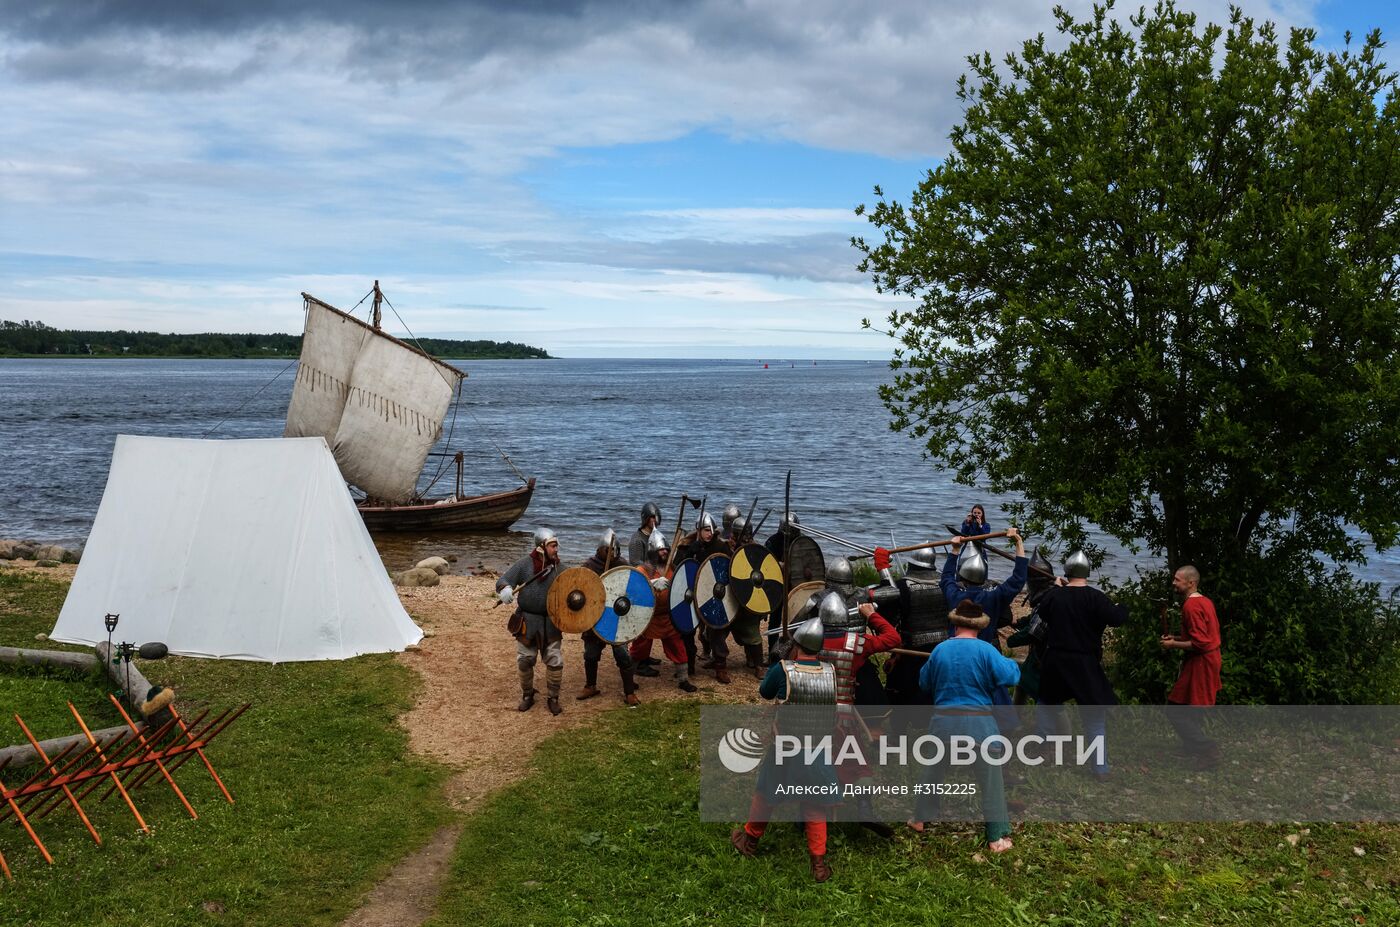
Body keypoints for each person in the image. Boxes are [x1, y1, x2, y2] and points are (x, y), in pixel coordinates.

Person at [731, 615, 837, 882]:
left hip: (785, 749)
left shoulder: (783, 669)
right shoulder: (830, 672)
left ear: (797, 644)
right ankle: (819, 864)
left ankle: (750, 842)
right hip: (817, 749)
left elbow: (765, 692)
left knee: (765, 795)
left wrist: (778, 665)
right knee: (815, 805)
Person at [911, 600, 1021, 853]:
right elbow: (1012, 676)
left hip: (943, 724)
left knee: (933, 772)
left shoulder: (940, 650)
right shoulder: (986, 651)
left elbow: (924, 682)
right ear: (979, 626)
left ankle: (918, 819)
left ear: (955, 624)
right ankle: (996, 837)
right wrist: (1012, 664)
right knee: (991, 779)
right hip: (979, 724)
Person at [1033, 550, 1126, 778]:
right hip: (1084, 661)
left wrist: (1056, 589)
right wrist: (1122, 605)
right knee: (1094, 716)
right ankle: (1100, 768)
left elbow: (1042, 611)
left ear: (1067, 571)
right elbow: (1118, 618)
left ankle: (1042, 748)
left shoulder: (1055, 596)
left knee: (1046, 702)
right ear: (1088, 572)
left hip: (1057, 659)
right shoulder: (1096, 597)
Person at [497, 528, 565, 715]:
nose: (556, 549)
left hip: (551, 621)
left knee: (554, 661)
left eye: (556, 545)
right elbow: (503, 579)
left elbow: (575, 586)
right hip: (528, 620)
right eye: (552, 545)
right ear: (541, 547)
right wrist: (505, 588)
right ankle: (528, 695)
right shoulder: (525, 564)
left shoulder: (560, 568)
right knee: (525, 661)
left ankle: (553, 697)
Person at [1160, 564, 1222, 768]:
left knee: (1175, 709)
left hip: (1201, 662)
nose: (1174, 583)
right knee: (1190, 706)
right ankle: (1191, 747)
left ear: (1191, 583)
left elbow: (1201, 643)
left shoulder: (1191, 606)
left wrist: (1173, 644)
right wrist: (1176, 637)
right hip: (1206, 659)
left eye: (1178, 580)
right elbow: (1200, 636)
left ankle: (1207, 749)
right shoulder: (1205, 601)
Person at [578, 528, 639, 706]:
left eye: (615, 550)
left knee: (622, 655)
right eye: (608, 550)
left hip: (616, 618)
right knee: (590, 654)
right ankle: (591, 686)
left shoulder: (622, 564)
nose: (612, 553)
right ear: (600, 549)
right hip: (595, 617)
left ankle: (629, 692)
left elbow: (632, 590)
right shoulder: (589, 566)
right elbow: (580, 590)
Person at [631, 530, 697, 693]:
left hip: (668, 617)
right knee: (639, 649)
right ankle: (628, 679)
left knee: (677, 646)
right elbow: (634, 589)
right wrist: (652, 583)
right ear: (653, 550)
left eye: (666, 549)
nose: (665, 552)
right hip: (649, 617)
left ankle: (683, 680)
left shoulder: (672, 569)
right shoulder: (642, 570)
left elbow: (682, 586)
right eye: (661, 549)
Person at [627, 501, 662, 569]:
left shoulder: (658, 538)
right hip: (644, 574)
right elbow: (635, 562)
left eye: (656, 517)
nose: (655, 520)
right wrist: (651, 568)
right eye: (652, 517)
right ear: (646, 518)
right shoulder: (637, 539)